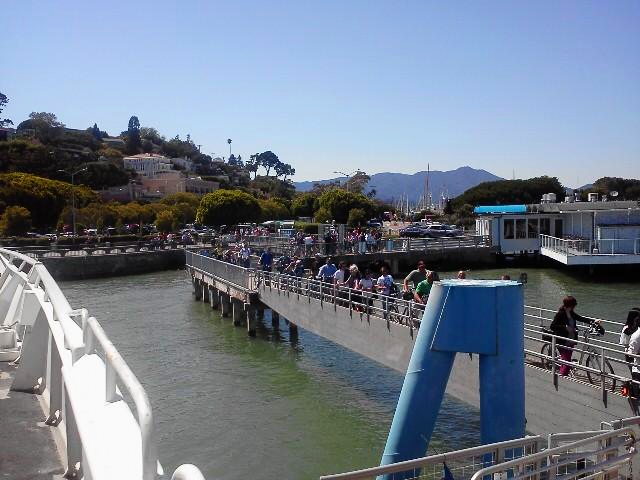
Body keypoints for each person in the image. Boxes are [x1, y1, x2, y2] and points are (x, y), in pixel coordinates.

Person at [550, 296, 598, 376]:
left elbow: (580, 318)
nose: (575, 306)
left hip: (571, 339)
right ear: (570, 305)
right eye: (574, 305)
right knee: (567, 362)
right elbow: (553, 326)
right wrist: (564, 327)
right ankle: (563, 378)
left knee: (567, 359)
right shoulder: (560, 314)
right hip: (562, 340)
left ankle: (563, 373)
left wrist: (593, 321)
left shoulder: (571, 312)